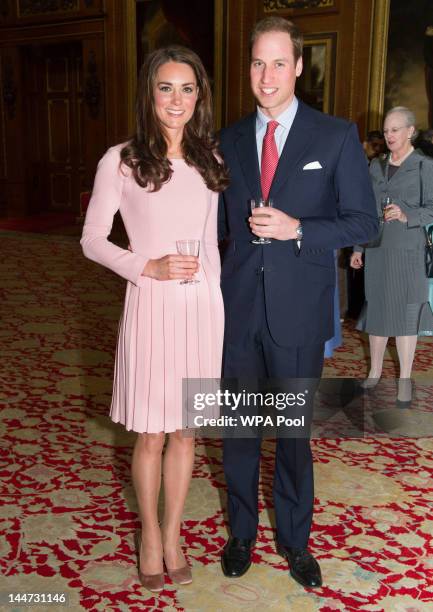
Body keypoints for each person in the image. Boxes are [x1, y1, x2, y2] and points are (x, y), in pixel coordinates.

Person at [218, 16, 378, 589]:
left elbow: (365, 223)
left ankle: (295, 539)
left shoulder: (334, 136)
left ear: (299, 67)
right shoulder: (227, 139)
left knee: (291, 434)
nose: (267, 75)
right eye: (258, 62)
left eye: (279, 62)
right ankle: (240, 533)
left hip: (299, 313)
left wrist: (298, 228)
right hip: (236, 309)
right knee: (238, 429)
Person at [81, 45, 228, 592]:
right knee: (150, 435)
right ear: (149, 93)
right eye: (166, 87)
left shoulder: (210, 158)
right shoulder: (120, 159)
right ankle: (148, 533)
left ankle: (173, 535)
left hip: (199, 311)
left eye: (187, 89)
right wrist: (147, 266)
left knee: (187, 433)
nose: (177, 99)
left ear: (200, 96)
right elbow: (92, 240)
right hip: (149, 305)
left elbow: (211, 247)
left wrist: (216, 308)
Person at [351, 106, 433, 407]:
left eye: (395, 130)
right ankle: (374, 371)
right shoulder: (376, 165)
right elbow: (366, 212)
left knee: (406, 317)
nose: (389, 136)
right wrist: (359, 248)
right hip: (378, 249)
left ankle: (404, 380)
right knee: (378, 312)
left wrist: (406, 213)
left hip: (409, 251)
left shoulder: (425, 166)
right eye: (386, 130)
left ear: (411, 131)